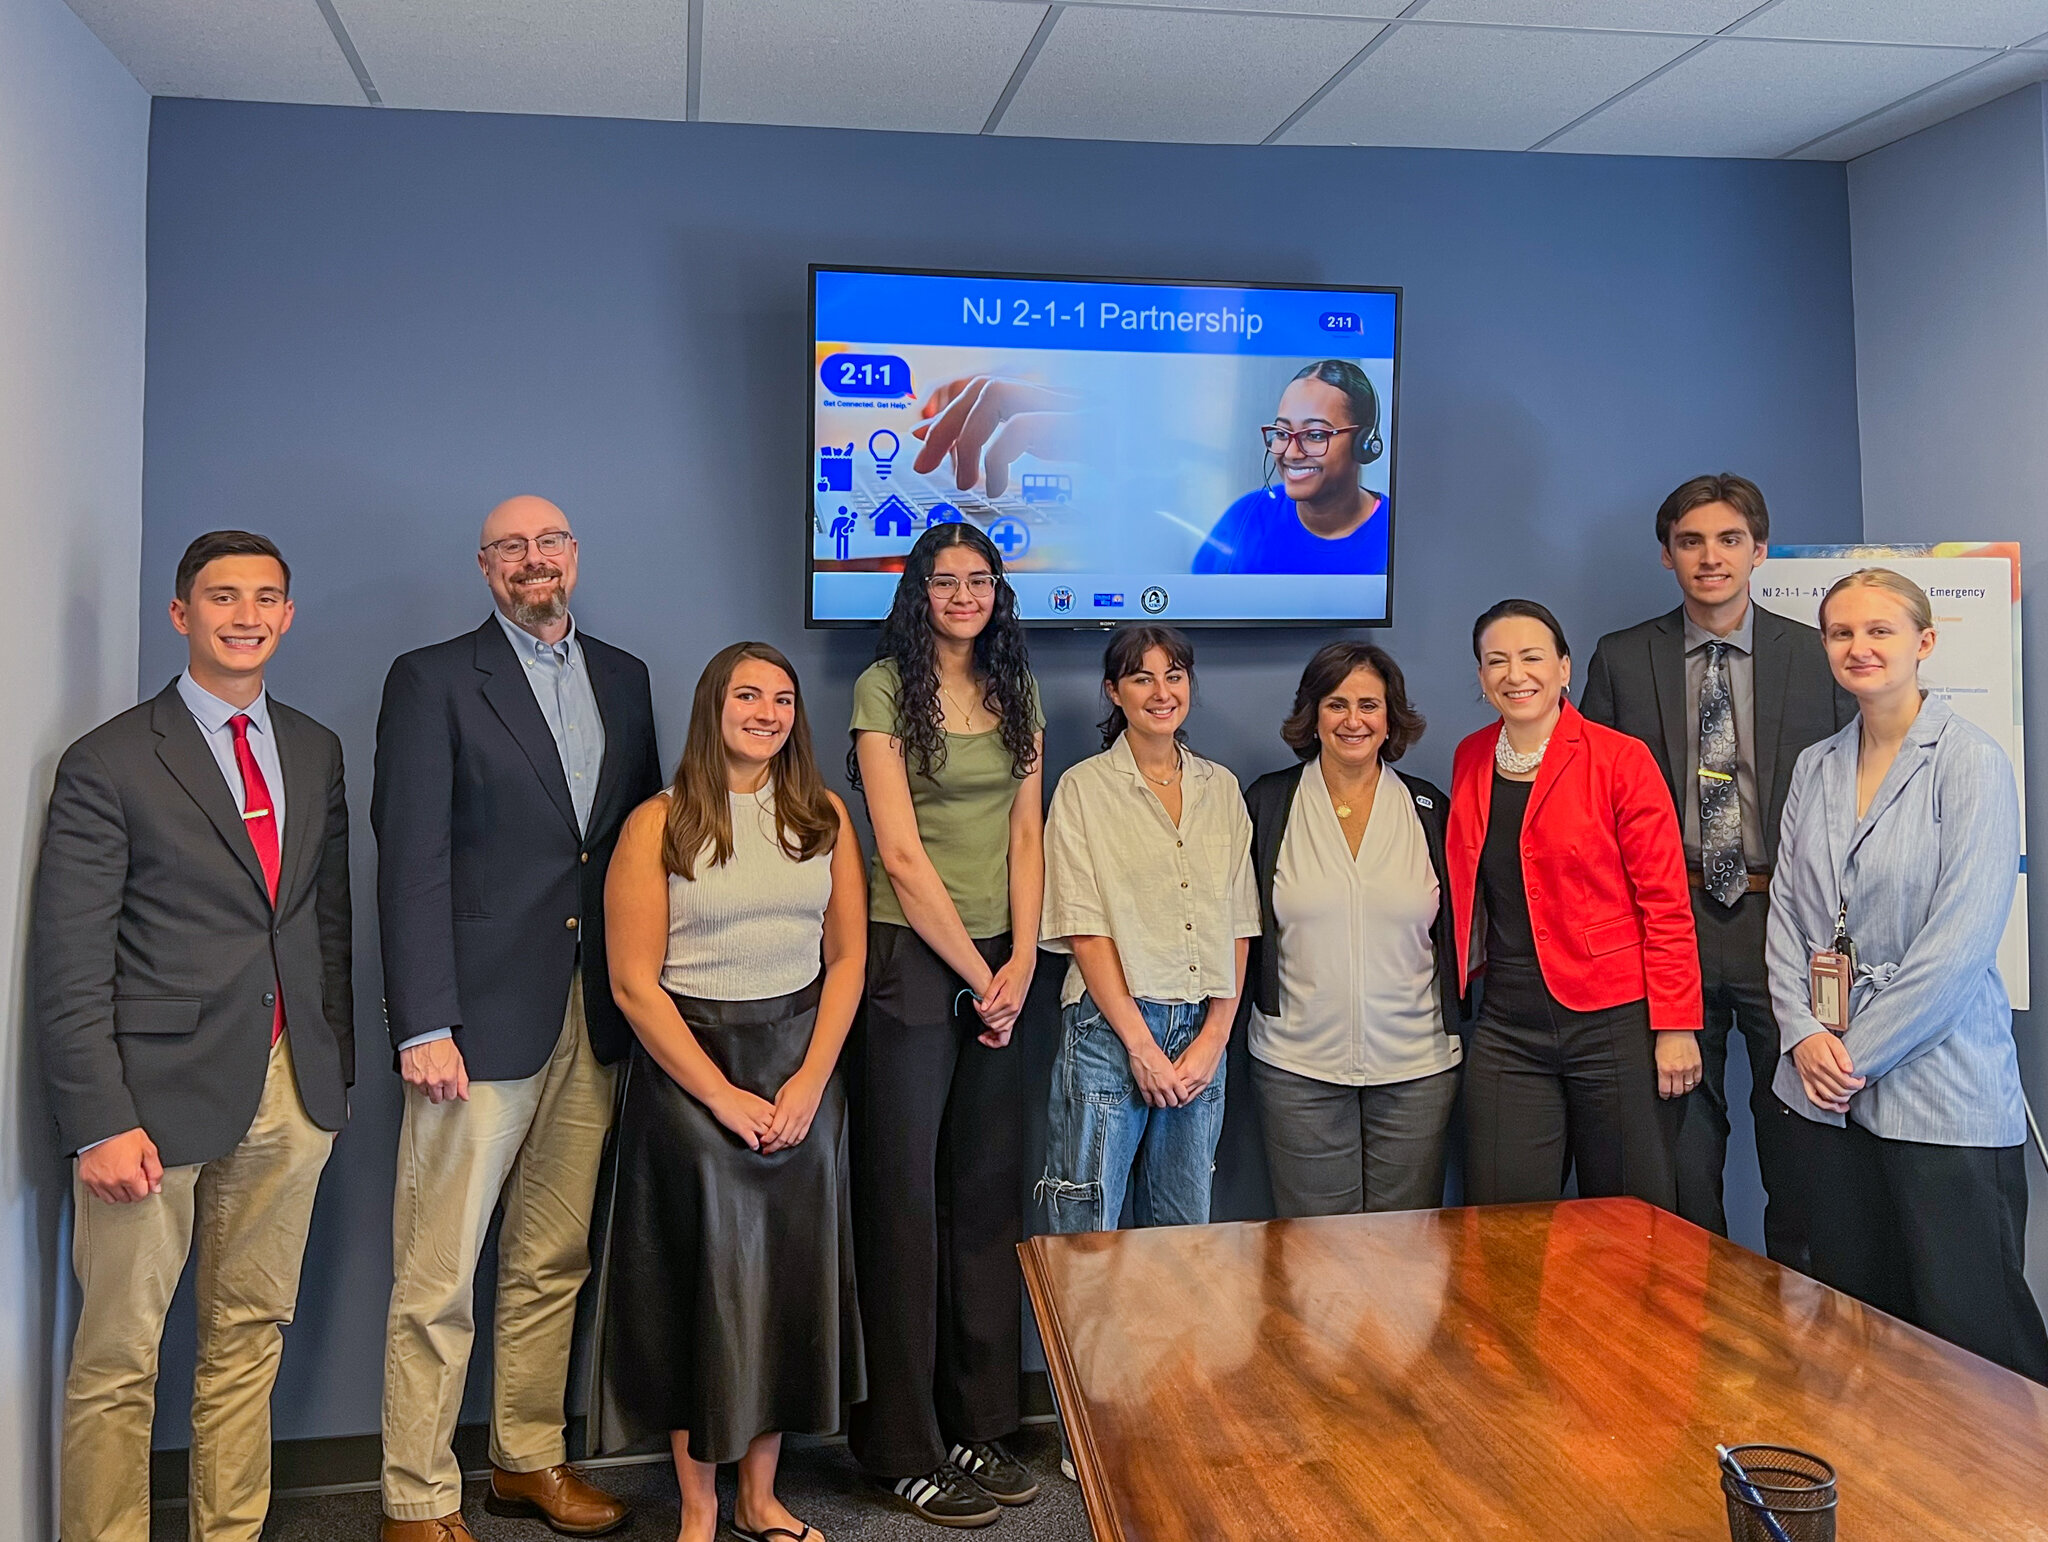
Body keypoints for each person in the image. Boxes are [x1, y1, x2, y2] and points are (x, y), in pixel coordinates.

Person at [33, 530, 352, 1542]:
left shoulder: (313, 747)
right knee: (119, 1358)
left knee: (248, 1341)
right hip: (150, 1107)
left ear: (288, 615)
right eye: (222, 597)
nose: (246, 615)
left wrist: (328, 1070)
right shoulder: (110, 760)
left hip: (290, 1093)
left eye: (266, 597)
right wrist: (96, 1121)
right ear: (182, 615)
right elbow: (70, 958)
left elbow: (324, 925)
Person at [374, 496, 661, 1542]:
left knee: (551, 1260)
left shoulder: (624, 679)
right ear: (484, 567)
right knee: (439, 1272)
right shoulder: (433, 679)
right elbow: (408, 859)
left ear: (574, 558)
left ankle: (525, 1459)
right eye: (510, 548)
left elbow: (633, 852)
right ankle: (414, 1494)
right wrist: (423, 1021)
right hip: (473, 1022)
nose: (532, 562)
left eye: (548, 544)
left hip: (594, 1016)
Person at [599, 642, 866, 1542]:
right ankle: (702, 1511)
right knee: (704, 1299)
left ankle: (761, 1499)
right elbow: (635, 984)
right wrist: (720, 1096)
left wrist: (810, 1083)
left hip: (801, 1072)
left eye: (783, 698)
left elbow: (849, 958)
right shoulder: (658, 825)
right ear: (713, 706)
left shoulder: (824, 816)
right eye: (747, 694)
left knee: (785, 1293)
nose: (767, 711)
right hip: (692, 1078)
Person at [1767, 568, 2048, 1382]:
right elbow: (1787, 917)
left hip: (1939, 1092)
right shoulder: (1816, 767)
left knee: (1972, 1331)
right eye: (1841, 633)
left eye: (1879, 631)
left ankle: (2013, 1507)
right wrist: (1805, 1034)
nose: (1859, 647)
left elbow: (1959, 945)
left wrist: (1853, 1056)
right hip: (1825, 1100)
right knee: (1863, 1329)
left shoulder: (1971, 762)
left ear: (1924, 643)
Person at [1581, 474, 1852, 1263]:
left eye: (1729, 540)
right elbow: (1596, 801)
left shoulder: (1814, 653)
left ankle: (1800, 1325)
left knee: (1800, 1137)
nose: (1711, 557)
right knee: (1683, 1145)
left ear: (1759, 551)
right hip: (1673, 922)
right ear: (1667, 555)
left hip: (1788, 921)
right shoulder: (1624, 659)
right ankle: (1701, 1318)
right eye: (1691, 541)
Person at [847, 522, 1045, 1528]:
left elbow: (1024, 830)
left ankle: (977, 1423)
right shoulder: (882, 688)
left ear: (995, 591)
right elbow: (899, 850)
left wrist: (1018, 960)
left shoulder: (1018, 689)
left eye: (978, 579)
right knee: (904, 1204)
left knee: (981, 1201)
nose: (962, 594)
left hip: (1000, 965)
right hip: (910, 966)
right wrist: (979, 977)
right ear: (917, 590)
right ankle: (902, 1446)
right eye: (944, 580)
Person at [1447, 599, 1702, 1209]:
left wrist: (1675, 1025)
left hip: (1613, 1022)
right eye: (1497, 661)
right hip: (1508, 1023)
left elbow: (1666, 903)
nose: (1516, 674)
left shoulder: (1620, 759)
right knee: (1504, 1231)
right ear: (1482, 679)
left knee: (1625, 1229)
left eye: (1532, 657)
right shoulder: (1472, 757)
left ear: (1564, 668)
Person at [1038, 625, 1258, 1233]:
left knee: (1185, 1237)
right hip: (1110, 1031)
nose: (1161, 692)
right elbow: (1084, 929)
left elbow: (1239, 921)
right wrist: (1140, 1046)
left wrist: (1215, 1036)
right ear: (1114, 691)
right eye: (1142, 678)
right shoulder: (1083, 789)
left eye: (1174, 675)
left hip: (1199, 1035)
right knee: (1087, 1233)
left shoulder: (1222, 789)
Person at [1242, 642, 1462, 1217]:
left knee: (1407, 1258)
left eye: (1370, 704)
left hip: (1417, 1067)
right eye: (1336, 704)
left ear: (1391, 717)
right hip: (1297, 1068)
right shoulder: (1269, 803)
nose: (1353, 720)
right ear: (1312, 715)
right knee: (1318, 1264)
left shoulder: (1429, 809)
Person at [1192, 360, 1390, 576]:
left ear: (1364, 443)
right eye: (1282, 433)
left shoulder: (1398, 531)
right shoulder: (1244, 518)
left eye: (1315, 435)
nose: (1291, 453)